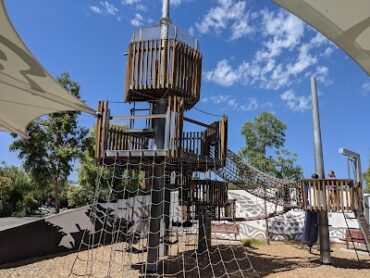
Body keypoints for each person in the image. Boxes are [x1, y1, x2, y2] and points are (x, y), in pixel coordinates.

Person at [302, 173, 319, 253]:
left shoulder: (318, 186)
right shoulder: (308, 185)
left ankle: (311, 244)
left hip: (315, 206)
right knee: (310, 225)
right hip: (311, 206)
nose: (313, 180)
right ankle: (309, 244)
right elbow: (305, 194)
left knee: (314, 225)